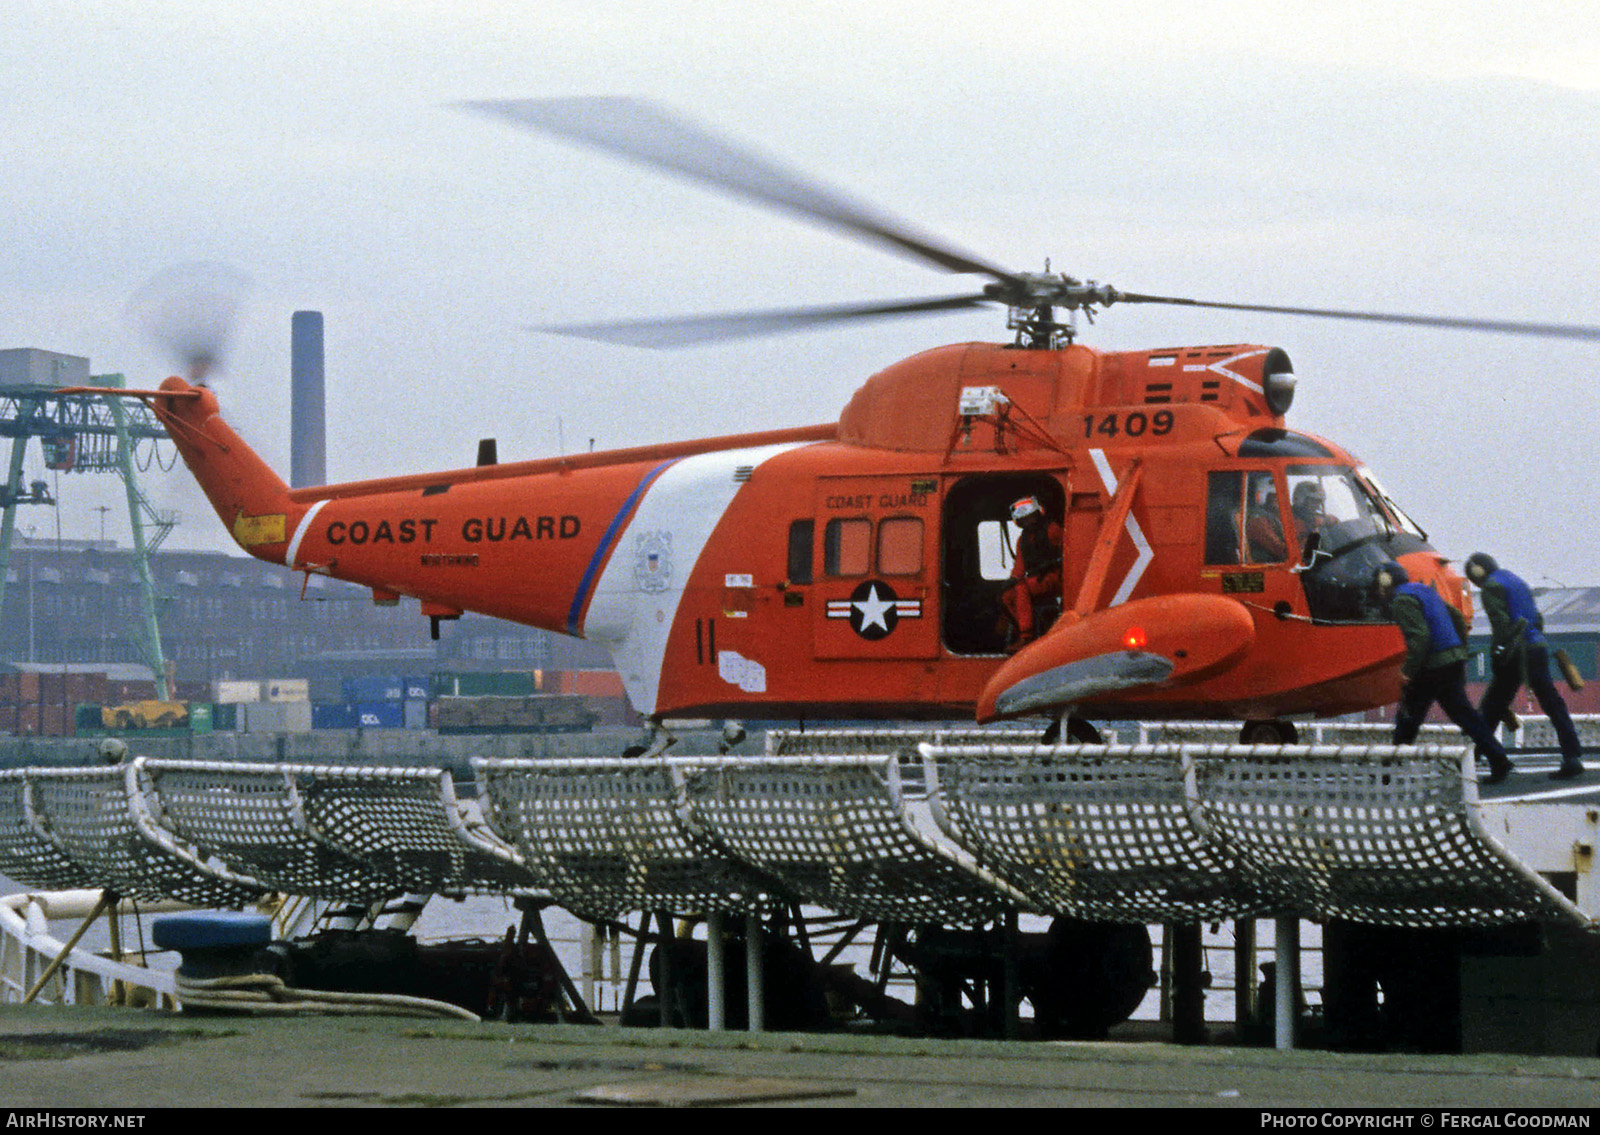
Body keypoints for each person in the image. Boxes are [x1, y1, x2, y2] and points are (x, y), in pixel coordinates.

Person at [1375, 561, 1514, 784]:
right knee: (1466, 716)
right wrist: (1458, 648)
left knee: (1408, 717)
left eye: (1380, 586)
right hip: (1453, 663)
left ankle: (1389, 773)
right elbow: (1457, 618)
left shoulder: (1401, 601)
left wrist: (1408, 670)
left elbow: (1419, 637)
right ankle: (1500, 761)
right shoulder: (1424, 591)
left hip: (1431, 668)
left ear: (1385, 583)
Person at [1466, 553, 1585, 780]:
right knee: (1553, 703)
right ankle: (1572, 757)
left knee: (1492, 705)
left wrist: (1498, 655)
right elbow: (1537, 618)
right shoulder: (1517, 581)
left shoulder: (1491, 587)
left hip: (1515, 651)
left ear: (1477, 573)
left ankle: (1487, 760)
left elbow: (1501, 625)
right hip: (1537, 646)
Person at [1001, 495, 1063, 649]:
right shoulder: (1022, 541)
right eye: (1025, 519)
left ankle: (1026, 636)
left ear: (1037, 514)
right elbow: (1019, 570)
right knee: (1007, 596)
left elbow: (1070, 552)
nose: (1028, 521)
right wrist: (1010, 581)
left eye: (1030, 517)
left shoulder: (1053, 529)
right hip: (1037, 581)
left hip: (1056, 578)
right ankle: (1025, 629)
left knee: (1021, 587)